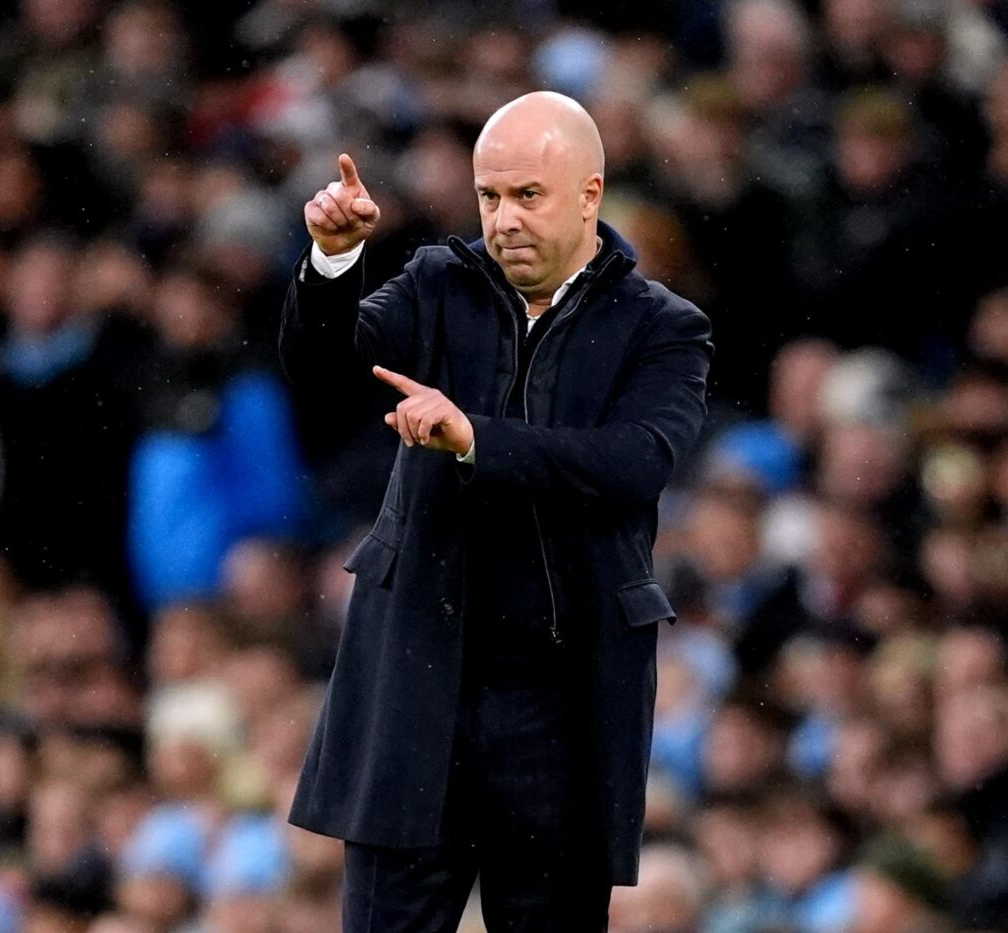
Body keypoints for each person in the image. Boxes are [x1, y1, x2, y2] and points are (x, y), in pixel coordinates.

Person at [278, 91, 713, 929]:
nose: (504, 219)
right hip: (416, 681)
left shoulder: (662, 327)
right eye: (489, 196)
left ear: (589, 194)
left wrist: (478, 437)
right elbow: (324, 372)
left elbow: (636, 463)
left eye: (527, 195)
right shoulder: (437, 283)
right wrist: (333, 261)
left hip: (565, 706)